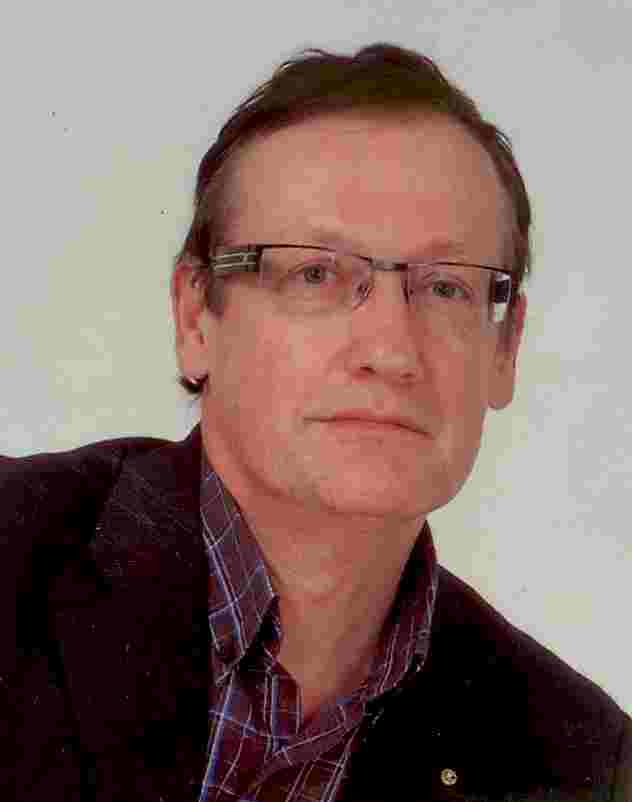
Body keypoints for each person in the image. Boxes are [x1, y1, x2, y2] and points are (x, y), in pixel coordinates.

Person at [2, 43, 630, 802]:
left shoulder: (580, 760)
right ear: (196, 316)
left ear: (506, 348)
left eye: (446, 289)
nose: (391, 351)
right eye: (316, 273)